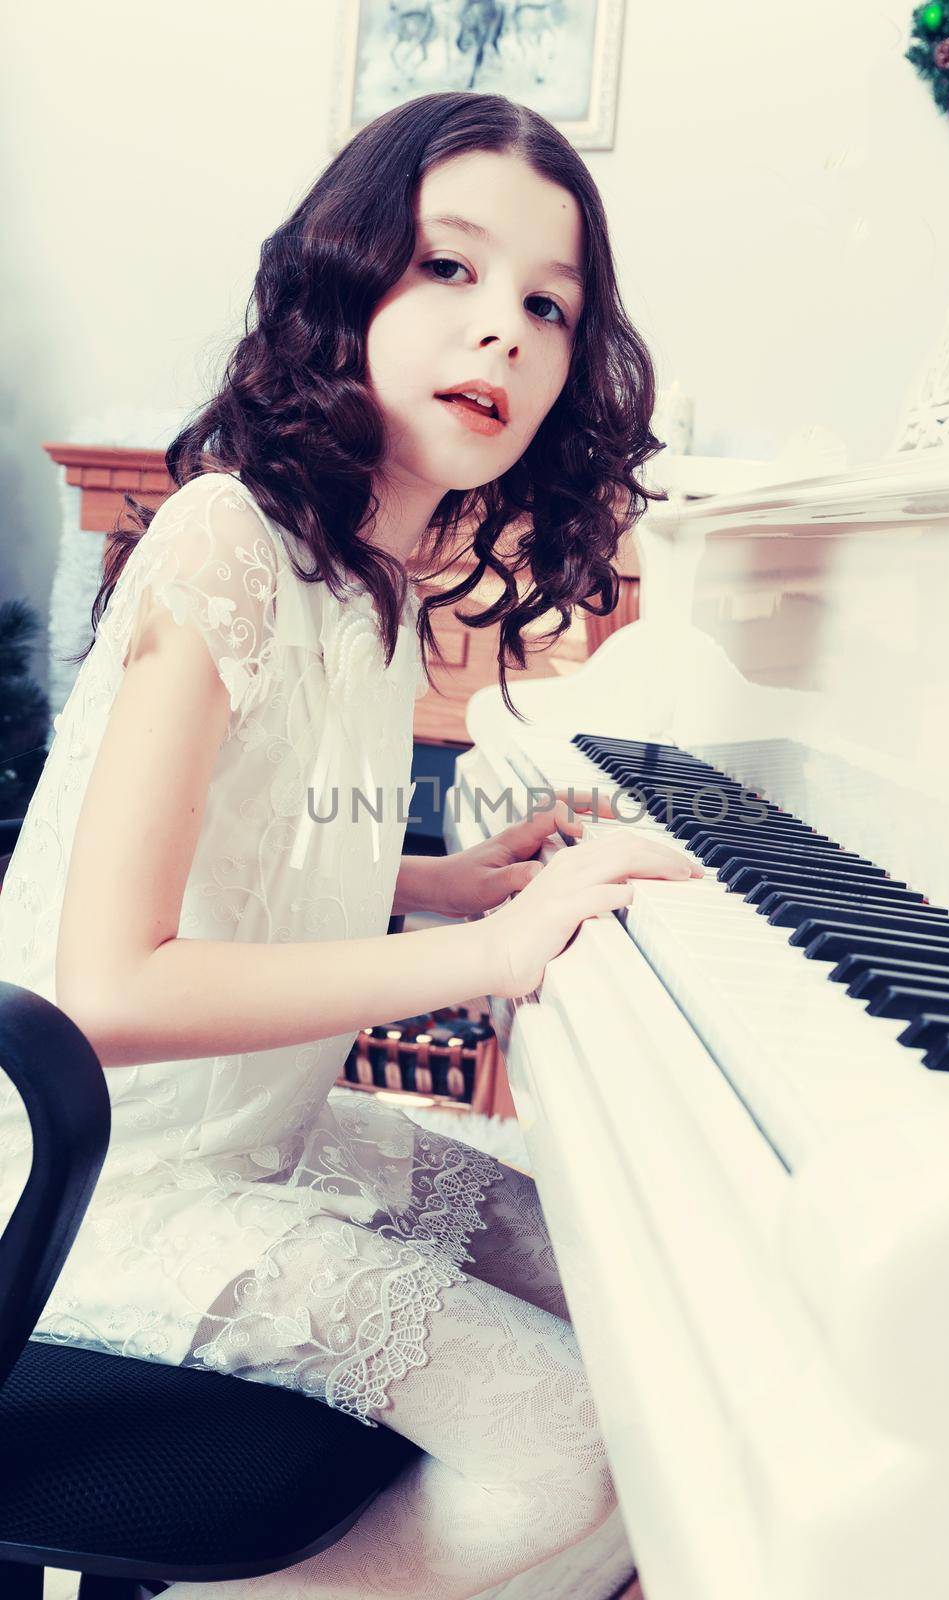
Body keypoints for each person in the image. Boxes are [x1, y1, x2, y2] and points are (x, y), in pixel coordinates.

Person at [0, 90, 703, 1598]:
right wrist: (488, 947)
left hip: (254, 1133)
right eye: (449, 270)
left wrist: (439, 881)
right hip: (90, 1179)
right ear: (346, 277)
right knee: (580, 1442)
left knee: (626, 1290)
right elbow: (108, 985)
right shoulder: (223, 536)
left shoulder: (378, 574)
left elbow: (248, 839)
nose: (503, 330)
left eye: (547, 304)